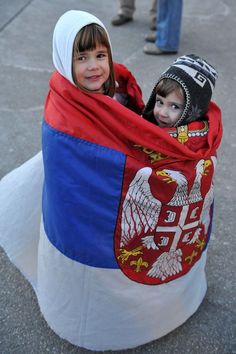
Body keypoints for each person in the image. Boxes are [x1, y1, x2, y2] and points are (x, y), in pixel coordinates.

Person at [0, 10, 223, 352]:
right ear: (63, 58)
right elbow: (80, 172)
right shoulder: (65, 112)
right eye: (82, 57)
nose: (94, 66)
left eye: (100, 56)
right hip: (88, 252)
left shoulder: (119, 96)